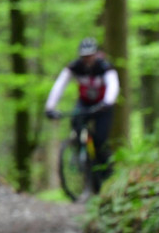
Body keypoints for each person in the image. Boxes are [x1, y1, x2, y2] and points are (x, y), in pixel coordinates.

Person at [44, 38, 119, 192]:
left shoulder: (104, 66)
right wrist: (50, 107)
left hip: (103, 106)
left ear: (96, 54)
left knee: (100, 140)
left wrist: (107, 102)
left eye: (90, 56)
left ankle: (106, 172)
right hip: (84, 103)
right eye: (84, 56)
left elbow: (113, 84)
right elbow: (59, 85)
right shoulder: (75, 66)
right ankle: (80, 155)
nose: (87, 59)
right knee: (76, 123)